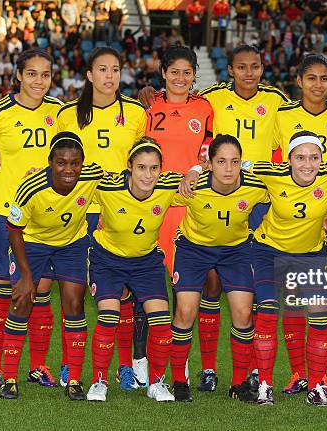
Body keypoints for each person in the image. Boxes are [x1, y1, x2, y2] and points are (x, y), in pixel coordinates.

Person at [141, 44, 289, 391]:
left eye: (255, 66)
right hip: (198, 196)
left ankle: (251, 372)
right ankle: (201, 369)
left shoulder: (279, 100)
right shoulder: (209, 99)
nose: (248, 73)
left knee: (248, 295)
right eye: (242, 66)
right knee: (198, 287)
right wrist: (153, 94)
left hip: (255, 197)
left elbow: (289, 141)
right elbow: (178, 109)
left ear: (263, 68)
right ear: (230, 70)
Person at [0, 48, 62, 389]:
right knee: (1, 288)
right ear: (19, 76)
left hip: (46, 216)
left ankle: (37, 366)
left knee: (40, 291)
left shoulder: (59, 112)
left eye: (46, 74)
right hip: (4, 213)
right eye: (33, 74)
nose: (40, 81)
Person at [56, 46, 147, 389]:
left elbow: (144, 161)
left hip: (119, 213)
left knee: (121, 292)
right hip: (79, 214)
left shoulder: (137, 113)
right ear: (90, 75)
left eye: (115, 69)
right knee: (74, 292)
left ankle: (124, 367)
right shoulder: (68, 115)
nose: (110, 76)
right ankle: (69, 364)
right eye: (103, 70)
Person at [0, 132, 104, 400]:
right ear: (50, 162)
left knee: (74, 303)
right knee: (23, 301)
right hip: (32, 244)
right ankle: (9, 377)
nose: (68, 169)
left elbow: (124, 182)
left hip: (72, 245)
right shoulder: (30, 187)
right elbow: (14, 231)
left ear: (82, 162)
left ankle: (74, 381)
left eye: (75, 163)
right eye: (61, 162)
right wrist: (25, 275)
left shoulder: (92, 176)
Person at [272, 54, 327, 395]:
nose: (319, 84)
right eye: (312, 78)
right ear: (299, 81)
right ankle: (298, 373)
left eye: (324, 78)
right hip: (296, 217)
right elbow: (276, 163)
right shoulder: (283, 115)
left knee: (323, 303)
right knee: (292, 300)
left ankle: (322, 376)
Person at [170, 135, 268, 403]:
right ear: (210, 163)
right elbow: (154, 190)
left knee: (243, 312)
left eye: (234, 162)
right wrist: (191, 171)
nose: (228, 168)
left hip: (235, 251)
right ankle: (179, 379)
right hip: (193, 250)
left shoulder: (255, 187)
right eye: (221, 161)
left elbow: (286, 186)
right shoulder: (193, 186)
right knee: (186, 310)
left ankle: (238, 383)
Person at [139, 45, 213, 387]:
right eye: (174, 72)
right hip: (153, 207)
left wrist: (196, 170)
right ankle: (141, 362)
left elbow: (207, 153)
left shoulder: (205, 108)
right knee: (148, 285)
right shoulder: (149, 106)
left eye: (187, 72)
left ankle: (177, 367)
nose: (180, 78)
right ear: (163, 73)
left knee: (183, 291)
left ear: (194, 74)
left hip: (190, 207)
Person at [86, 138, 181, 402]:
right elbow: (74, 181)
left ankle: (156, 382)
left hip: (146, 263)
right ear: (129, 166)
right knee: (108, 316)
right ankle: (99, 381)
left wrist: (196, 172)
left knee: (161, 320)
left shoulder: (169, 186)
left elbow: (201, 185)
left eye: (154, 168)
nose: (147, 175)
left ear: (161, 169)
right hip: (107, 261)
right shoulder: (107, 186)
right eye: (141, 167)